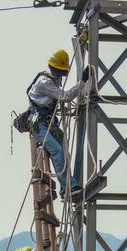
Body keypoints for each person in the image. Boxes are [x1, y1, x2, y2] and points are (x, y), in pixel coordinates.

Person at [27, 49, 90, 198]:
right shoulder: (45, 82)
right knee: (57, 151)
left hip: (49, 123)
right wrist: (82, 82)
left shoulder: (54, 80)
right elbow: (65, 96)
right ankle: (70, 188)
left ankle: (65, 188)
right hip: (39, 125)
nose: (61, 75)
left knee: (64, 150)